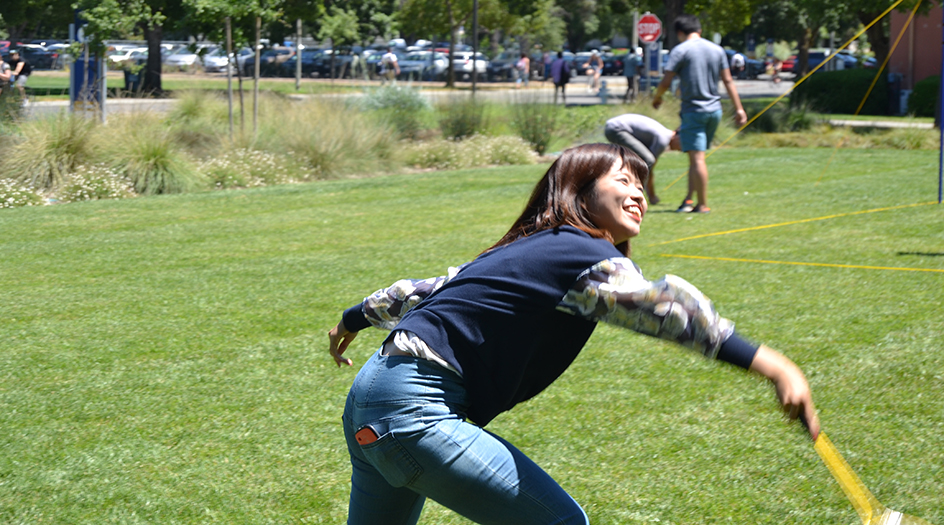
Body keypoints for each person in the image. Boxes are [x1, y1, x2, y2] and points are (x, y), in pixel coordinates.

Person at [328, 143, 820, 525]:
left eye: (643, 187)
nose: (639, 195)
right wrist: (772, 364)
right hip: (413, 409)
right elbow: (668, 312)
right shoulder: (582, 255)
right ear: (580, 190)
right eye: (623, 181)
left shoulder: (528, 249)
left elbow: (420, 291)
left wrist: (350, 320)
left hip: (372, 397)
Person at [652, 14, 747, 214]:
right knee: (696, 158)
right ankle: (688, 199)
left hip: (694, 110)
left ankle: (702, 204)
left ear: (679, 32)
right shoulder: (717, 49)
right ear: (700, 30)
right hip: (714, 111)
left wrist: (657, 98)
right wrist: (739, 108)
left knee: (697, 159)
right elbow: (728, 81)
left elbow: (666, 80)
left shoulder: (680, 50)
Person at [604, 114, 680, 205]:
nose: (682, 149)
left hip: (613, 127)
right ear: (677, 136)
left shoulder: (663, 134)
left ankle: (618, 192)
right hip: (616, 129)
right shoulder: (663, 139)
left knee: (631, 162)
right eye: (683, 143)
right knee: (648, 160)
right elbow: (648, 165)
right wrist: (652, 195)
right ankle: (632, 194)